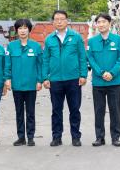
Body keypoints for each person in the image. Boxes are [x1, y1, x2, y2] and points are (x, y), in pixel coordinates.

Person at [42, 10, 88, 147]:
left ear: (67, 21)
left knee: (74, 109)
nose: (59, 21)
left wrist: (83, 75)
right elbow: (45, 60)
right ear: (53, 22)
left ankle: (75, 137)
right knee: (56, 110)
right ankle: (56, 137)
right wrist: (45, 77)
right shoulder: (49, 39)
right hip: (55, 80)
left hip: (73, 79)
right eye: (56, 19)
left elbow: (82, 57)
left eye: (62, 19)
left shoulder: (76, 37)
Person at [87, 13, 120, 147]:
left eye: (104, 22)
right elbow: (91, 59)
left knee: (115, 110)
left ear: (109, 24)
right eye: (99, 22)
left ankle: (115, 137)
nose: (101, 24)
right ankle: (99, 137)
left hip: (114, 82)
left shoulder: (118, 40)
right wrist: (101, 73)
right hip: (98, 82)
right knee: (99, 110)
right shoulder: (92, 41)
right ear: (96, 25)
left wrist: (112, 73)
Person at [4, 19, 43, 147]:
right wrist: (7, 79)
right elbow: (8, 64)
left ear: (29, 30)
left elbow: (40, 65)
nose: (22, 30)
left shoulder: (36, 46)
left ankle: (30, 137)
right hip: (17, 85)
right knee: (19, 112)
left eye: (25, 28)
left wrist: (39, 80)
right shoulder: (11, 46)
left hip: (31, 85)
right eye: (20, 28)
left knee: (30, 112)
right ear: (17, 30)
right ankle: (21, 137)